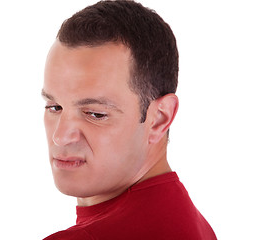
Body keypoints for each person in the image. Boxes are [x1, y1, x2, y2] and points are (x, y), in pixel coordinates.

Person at [42, 1, 216, 239]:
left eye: (95, 114)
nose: (60, 136)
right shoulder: (195, 225)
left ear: (159, 118)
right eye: (54, 106)